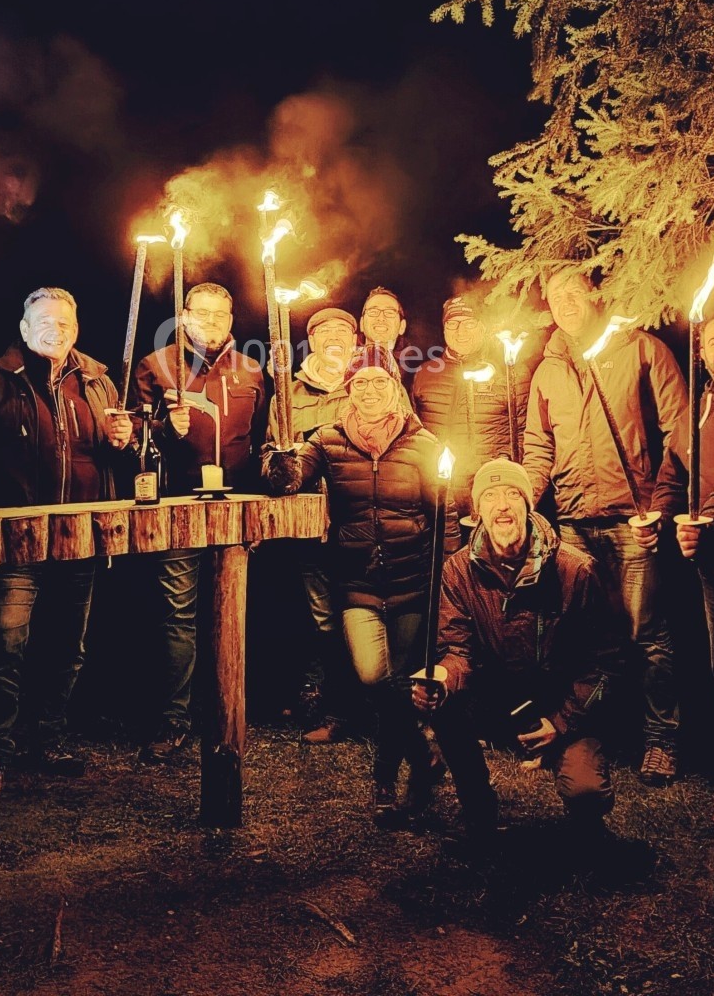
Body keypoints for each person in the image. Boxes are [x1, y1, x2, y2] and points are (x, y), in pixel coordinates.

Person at [0, 286, 131, 803]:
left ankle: (48, 739)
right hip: (18, 540)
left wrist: (123, 441)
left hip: (78, 537)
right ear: (24, 328)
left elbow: (116, 459)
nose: (55, 330)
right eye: (45, 322)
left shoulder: (98, 381)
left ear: (76, 330)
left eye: (64, 323)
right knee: (6, 646)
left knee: (66, 647)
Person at [265, 343, 443, 827]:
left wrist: (446, 573)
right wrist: (280, 462)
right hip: (358, 579)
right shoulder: (328, 439)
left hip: (412, 579)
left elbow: (443, 511)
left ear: (394, 387)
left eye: (378, 382)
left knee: (402, 682)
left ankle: (385, 779)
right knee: (372, 676)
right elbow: (290, 479)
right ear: (349, 389)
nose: (368, 391)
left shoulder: (422, 443)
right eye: (359, 383)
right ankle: (423, 754)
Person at [523, 267, 687, 784]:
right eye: (556, 295)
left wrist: (661, 503)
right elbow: (539, 448)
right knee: (585, 636)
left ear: (595, 294)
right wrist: (521, 497)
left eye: (574, 290)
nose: (566, 301)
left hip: (632, 519)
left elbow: (680, 431)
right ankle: (592, 734)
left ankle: (661, 740)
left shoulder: (641, 349)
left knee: (646, 635)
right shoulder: (547, 370)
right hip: (573, 522)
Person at [414, 460, 616, 852]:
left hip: (560, 703)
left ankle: (588, 827)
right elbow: (457, 651)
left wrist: (560, 723)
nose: (502, 505)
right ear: (478, 512)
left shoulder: (574, 570)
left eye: (512, 494)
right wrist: (440, 678)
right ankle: (478, 810)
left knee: (586, 789)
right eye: (490, 496)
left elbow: (606, 663)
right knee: (445, 703)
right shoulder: (458, 571)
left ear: (528, 506)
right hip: (498, 701)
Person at [133, 282, 266, 760]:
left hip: (235, 508)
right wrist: (164, 428)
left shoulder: (251, 369)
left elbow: (262, 436)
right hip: (179, 507)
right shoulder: (157, 365)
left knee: (233, 611)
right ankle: (174, 720)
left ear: (231, 320)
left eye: (220, 315)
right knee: (178, 615)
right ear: (184, 315)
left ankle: (230, 709)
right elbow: (132, 435)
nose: (211, 322)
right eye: (202, 313)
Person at [633, 311, 714, 822]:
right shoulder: (702, 406)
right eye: (713, 342)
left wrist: (709, 521)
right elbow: (674, 471)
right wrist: (660, 514)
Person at [264, 306, 359, 743]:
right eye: (324, 332)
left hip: (359, 522)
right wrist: (282, 464)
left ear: (355, 342)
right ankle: (335, 710)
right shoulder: (288, 395)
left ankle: (378, 708)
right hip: (308, 526)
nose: (334, 338)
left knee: (363, 614)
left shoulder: (371, 385)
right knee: (323, 619)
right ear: (312, 342)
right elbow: (269, 454)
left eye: (343, 331)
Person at [412, 296, 532, 537]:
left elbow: (525, 433)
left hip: (491, 490)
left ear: (482, 327)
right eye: (452, 324)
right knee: (448, 554)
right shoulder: (426, 373)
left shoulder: (508, 372)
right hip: (441, 491)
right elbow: (416, 433)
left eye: (469, 323)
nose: (461, 331)